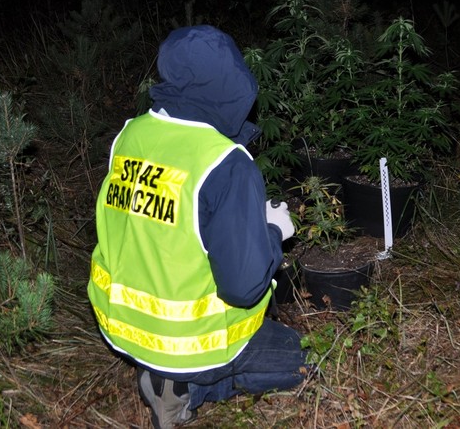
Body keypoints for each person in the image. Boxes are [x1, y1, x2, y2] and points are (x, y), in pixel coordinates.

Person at [87, 25, 309, 428]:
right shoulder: (225, 163)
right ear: (233, 82)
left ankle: (163, 373)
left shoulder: (130, 136)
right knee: (305, 357)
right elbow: (243, 288)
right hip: (191, 342)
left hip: (122, 325)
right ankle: (189, 388)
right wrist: (274, 231)